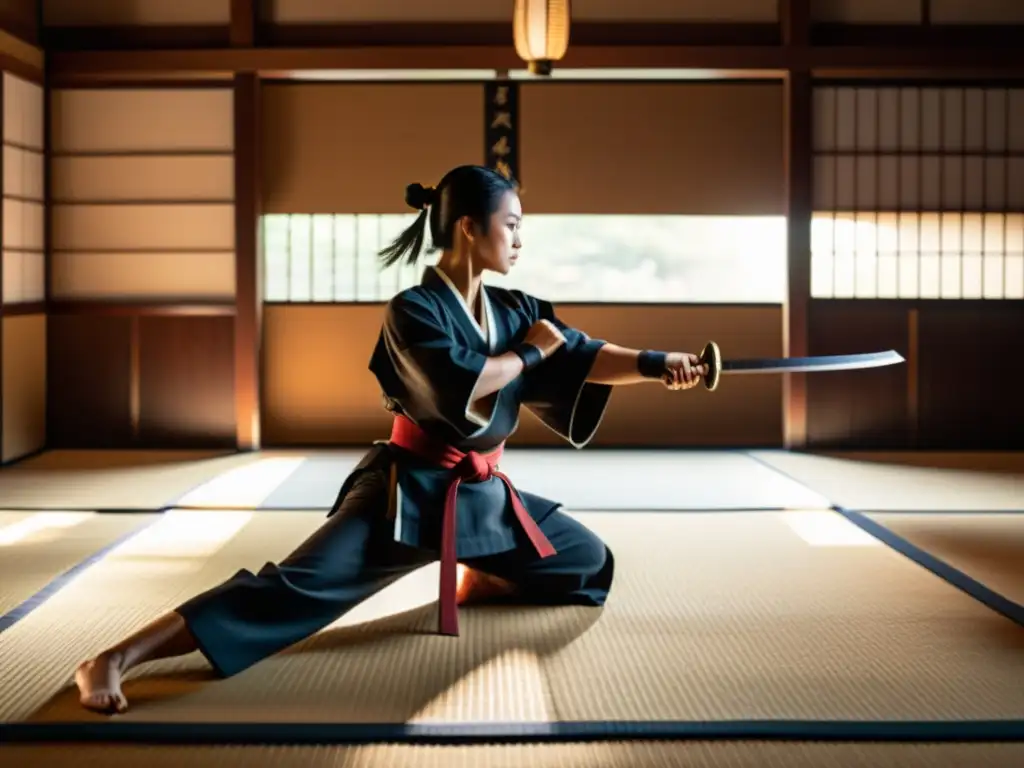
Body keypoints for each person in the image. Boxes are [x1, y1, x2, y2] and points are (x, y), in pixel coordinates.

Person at [75, 164, 708, 714]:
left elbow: (584, 355)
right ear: (469, 227)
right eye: (511, 224)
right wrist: (530, 354)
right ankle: (114, 658)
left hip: (481, 494)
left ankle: (484, 573)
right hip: (407, 495)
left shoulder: (515, 309)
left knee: (586, 562)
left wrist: (661, 365)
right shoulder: (413, 310)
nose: (520, 239)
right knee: (292, 590)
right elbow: (468, 382)